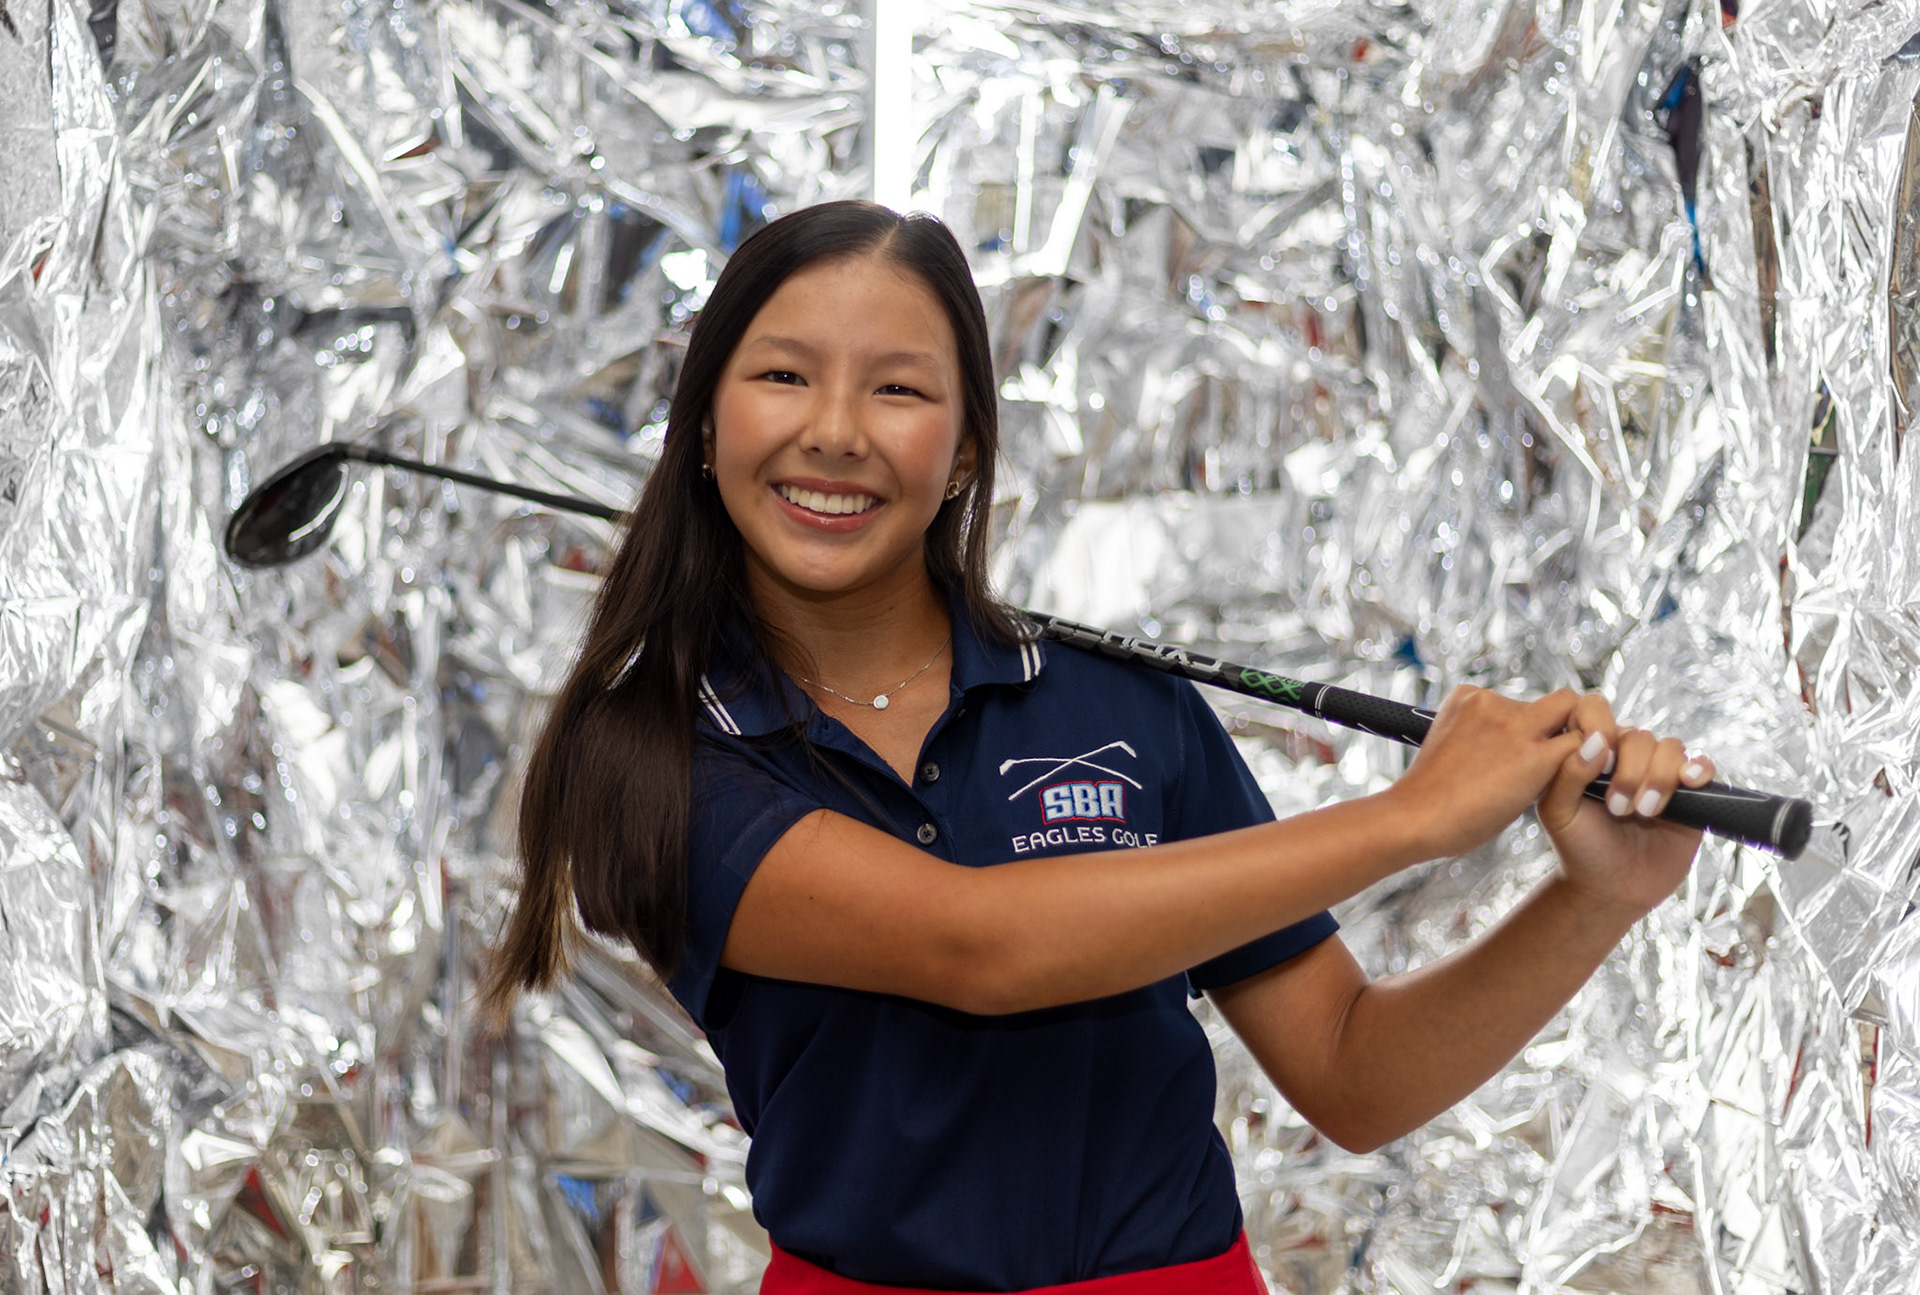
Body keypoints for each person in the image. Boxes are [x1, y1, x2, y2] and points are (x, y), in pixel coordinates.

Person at [484, 200, 1715, 1294]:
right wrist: (1414, 814)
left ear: (964, 449)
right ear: (704, 422)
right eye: (785, 377)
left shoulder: (1125, 705)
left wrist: (1593, 898)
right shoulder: (650, 750)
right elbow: (979, 943)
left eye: (900, 389)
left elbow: (1354, 1074)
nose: (839, 432)